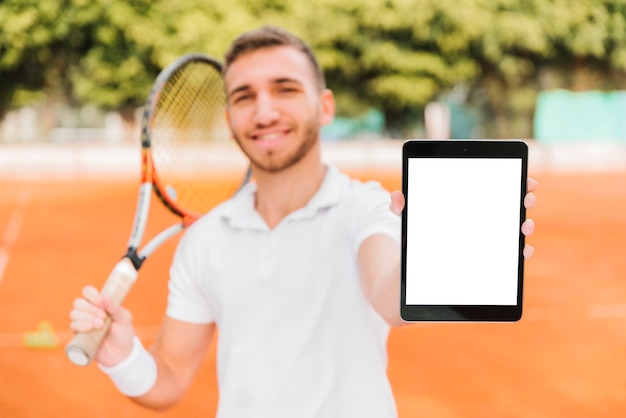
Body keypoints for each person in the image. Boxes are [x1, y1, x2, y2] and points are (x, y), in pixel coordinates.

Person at [69, 26, 537, 418]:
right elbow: (168, 378)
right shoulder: (205, 239)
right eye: (244, 96)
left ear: (325, 106)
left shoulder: (366, 209)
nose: (265, 111)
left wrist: (441, 260)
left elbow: (392, 299)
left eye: (286, 89)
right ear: (230, 117)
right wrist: (122, 357)